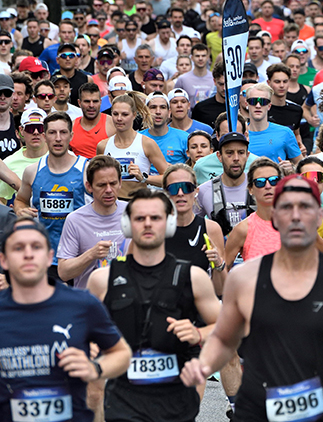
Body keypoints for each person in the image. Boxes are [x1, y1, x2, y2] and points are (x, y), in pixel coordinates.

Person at [180, 174, 323, 422]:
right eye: (286, 208)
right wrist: (202, 364)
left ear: (319, 216)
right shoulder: (244, 279)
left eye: (305, 207)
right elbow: (224, 341)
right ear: (274, 217)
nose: (295, 216)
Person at [87, 188, 221, 422]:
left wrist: (199, 334)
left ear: (168, 224)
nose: (147, 224)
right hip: (122, 403)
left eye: (155, 218)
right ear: (127, 225)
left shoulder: (193, 277)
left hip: (177, 403)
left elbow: (228, 327)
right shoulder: (102, 280)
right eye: (140, 218)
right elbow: (82, 330)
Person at [0, 218, 132, 422]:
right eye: (18, 248)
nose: (28, 254)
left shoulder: (82, 304)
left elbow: (121, 353)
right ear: (3, 260)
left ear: (49, 257)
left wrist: (95, 368)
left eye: (36, 247)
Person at [13, 112, 88, 277]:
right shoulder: (32, 171)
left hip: (79, 257)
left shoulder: (86, 170)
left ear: (71, 136)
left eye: (63, 132)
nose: (58, 138)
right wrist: (20, 209)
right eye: (52, 133)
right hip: (45, 258)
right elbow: (20, 199)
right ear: (44, 136)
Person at [57, 155, 130, 288]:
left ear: (120, 182)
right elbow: (63, 273)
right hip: (89, 297)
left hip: (126, 296)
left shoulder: (133, 212)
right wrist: (91, 254)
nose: (109, 190)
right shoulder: (75, 220)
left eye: (113, 183)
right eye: (101, 185)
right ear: (89, 187)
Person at [162, 163, 226, 292]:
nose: (180, 193)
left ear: (196, 191)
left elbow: (221, 290)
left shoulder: (211, 229)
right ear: (166, 194)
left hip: (200, 300)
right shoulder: (156, 229)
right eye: (174, 188)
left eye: (187, 187)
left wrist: (218, 263)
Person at [96, 94, 168, 198]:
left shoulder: (146, 143)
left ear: (134, 115)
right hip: (111, 203)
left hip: (138, 202)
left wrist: (144, 178)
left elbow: (168, 178)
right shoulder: (103, 146)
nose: (119, 118)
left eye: (125, 114)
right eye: (115, 114)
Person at [223, 158, 284, 269]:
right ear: (251, 189)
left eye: (274, 180)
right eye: (260, 182)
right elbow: (223, 271)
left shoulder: (295, 222)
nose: (268, 186)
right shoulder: (243, 229)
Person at [245, 82, 302, 166]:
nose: (258, 105)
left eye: (263, 101)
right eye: (253, 101)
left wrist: (291, 168)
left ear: (269, 106)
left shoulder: (285, 132)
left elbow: (300, 163)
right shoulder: (239, 133)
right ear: (246, 104)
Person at [139, 92, 190, 168]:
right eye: (153, 107)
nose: (158, 112)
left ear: (169, 112)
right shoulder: (137, 138)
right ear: (146, 112)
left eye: (162, 107)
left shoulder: (184, 138)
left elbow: (194, 167)